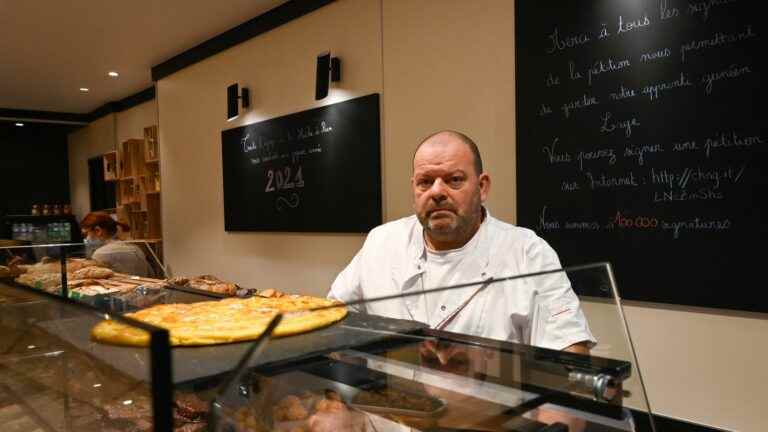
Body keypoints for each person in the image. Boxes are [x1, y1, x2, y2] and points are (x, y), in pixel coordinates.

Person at [328, 130, 595, 353]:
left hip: (495, 412)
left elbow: (569, 354)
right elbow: (333, 319)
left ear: (482, 187)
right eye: (425, 182)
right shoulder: (382, 241)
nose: (437, 192)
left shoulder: (528, 253)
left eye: (454, 180)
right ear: (414, 188)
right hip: (395, 407)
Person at [79, 212, 154, 277]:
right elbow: (151, 275)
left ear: (98, 231)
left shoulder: (101, 254)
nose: (87, 238)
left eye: (86, 234)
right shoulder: (136, 248)